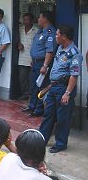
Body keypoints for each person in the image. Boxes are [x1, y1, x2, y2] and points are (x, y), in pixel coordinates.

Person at [39, 24, 83, 153]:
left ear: (64, 37)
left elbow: (74, 76)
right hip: (54, 87)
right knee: (48, 115)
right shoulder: (59, 48)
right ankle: (42, 138)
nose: (55, 36)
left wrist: (67, 93)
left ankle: (60, 144)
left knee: (62, 118)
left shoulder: (74, 54)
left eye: (57, 34)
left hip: (64, 89)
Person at [22, 11, 57, 117]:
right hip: (36, 63)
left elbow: (49, 51)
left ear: (45, 19)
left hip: (43, 64)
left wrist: (45, 65)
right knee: (33, 85)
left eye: (39, 17)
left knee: (42, 86)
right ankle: (32, 106)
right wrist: (33, 59)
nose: (38, 19)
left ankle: (38, 110)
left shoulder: (50, 32)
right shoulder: (40, 32)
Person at [18, 13, 39, 100]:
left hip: (32, 58)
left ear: (32, 20)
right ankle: (25, 93)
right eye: (24, 19)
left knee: (32, 79)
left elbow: (38, 44)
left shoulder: (36, 30)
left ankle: (31, 96)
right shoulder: (20, 28)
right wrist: (18, 44)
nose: (25, 21)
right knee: (22, 78)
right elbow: (17, 39)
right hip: (22, 58)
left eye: (27, 19)